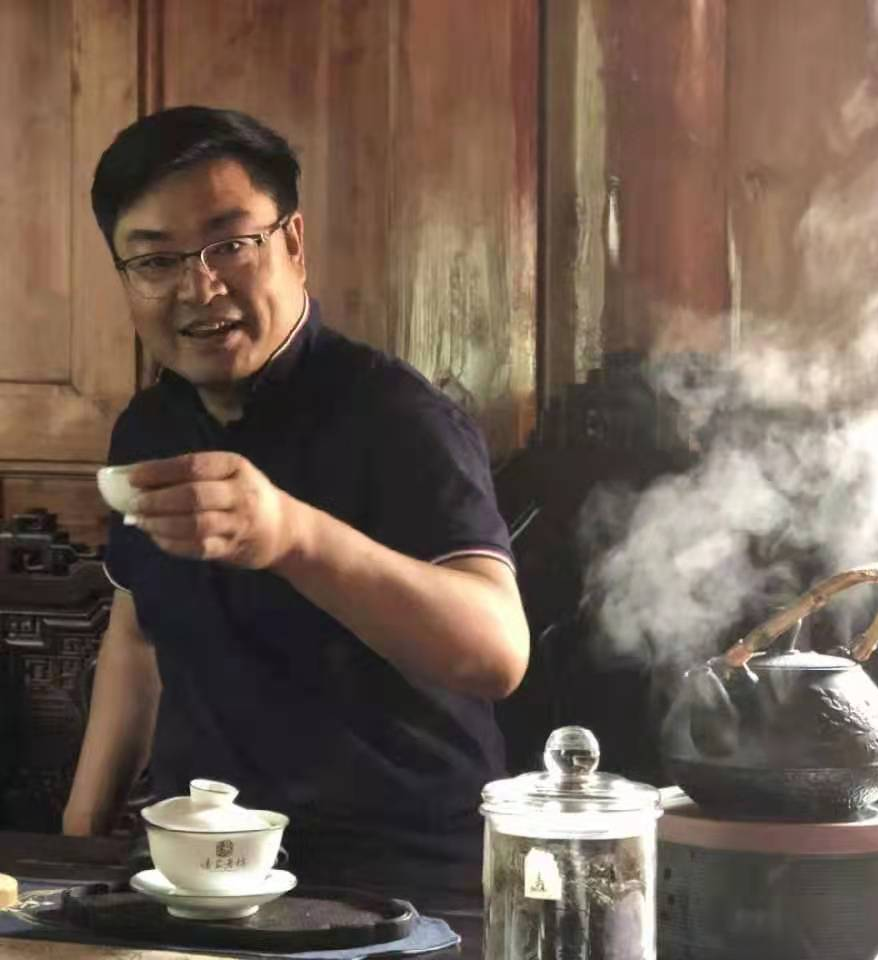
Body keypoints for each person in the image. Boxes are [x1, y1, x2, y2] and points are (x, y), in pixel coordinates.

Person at [63, 105, 529, 895]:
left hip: (397, 883)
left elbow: (496, 652)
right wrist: (75, 843)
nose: (199, 286)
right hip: (197, 875)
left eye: (230, 245)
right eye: (156, 260)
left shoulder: (399, 417)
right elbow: (137, 636)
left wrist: (290, 535)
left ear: (293, 244)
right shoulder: (149, 427)